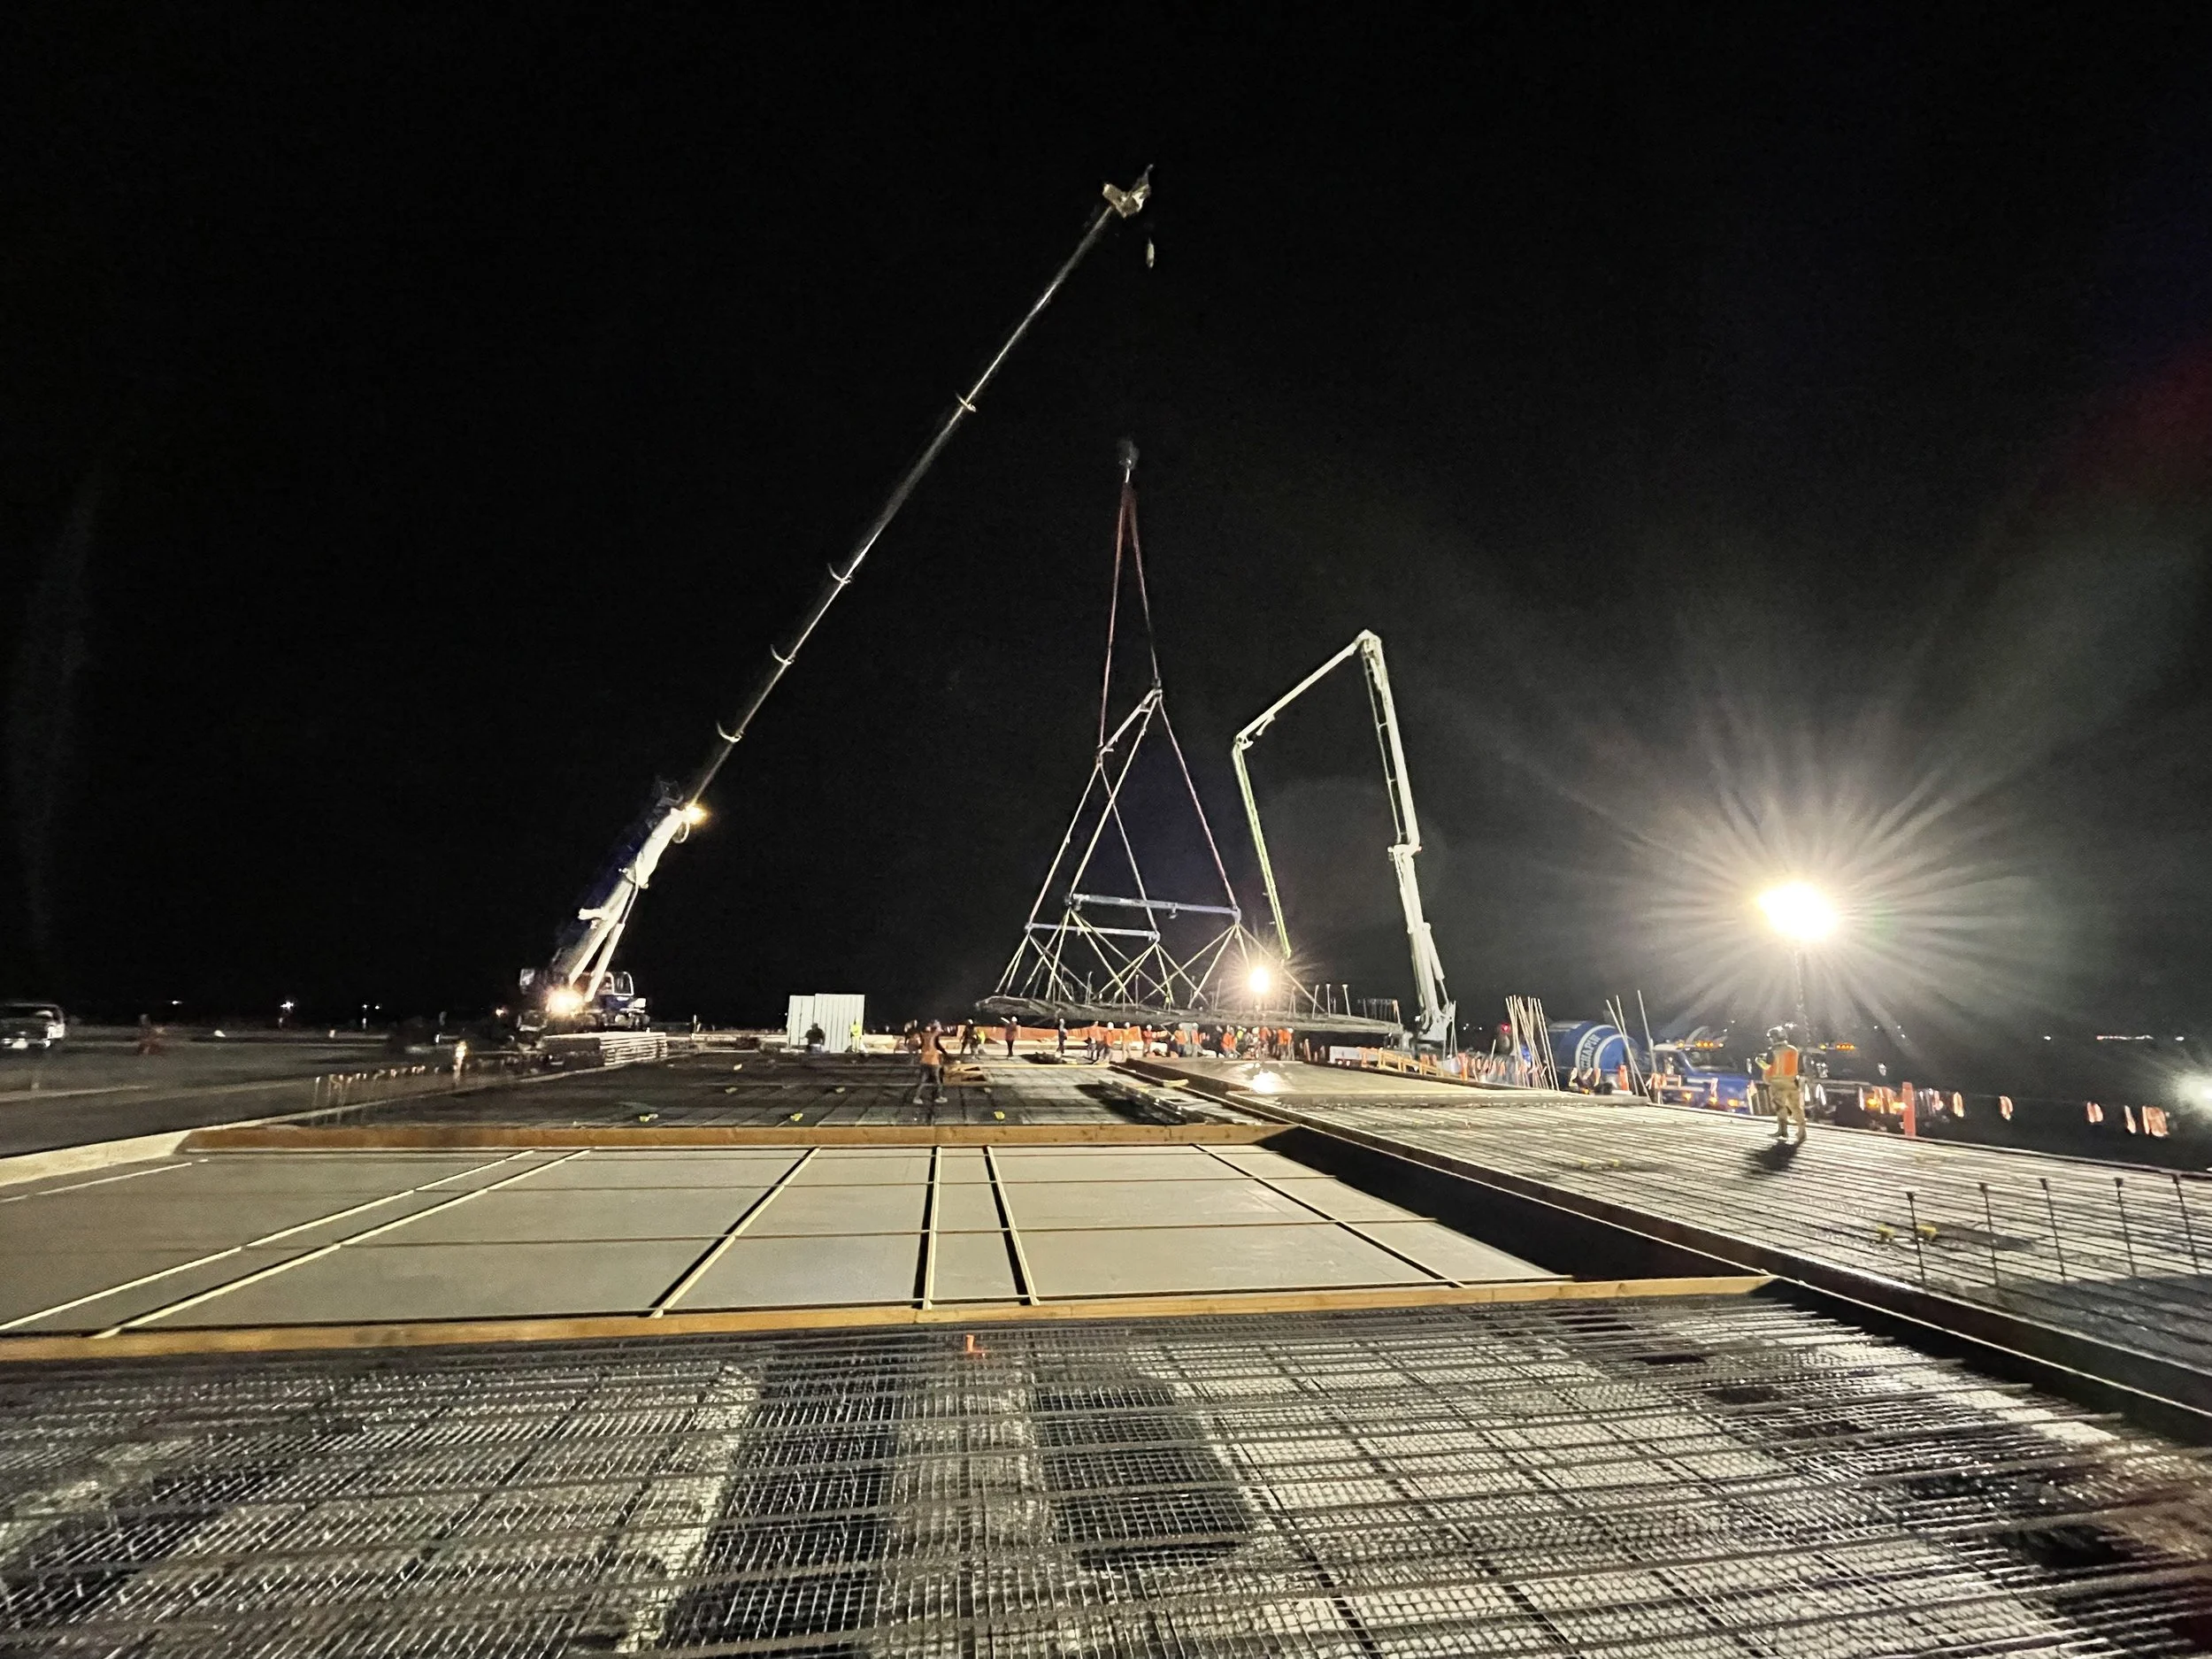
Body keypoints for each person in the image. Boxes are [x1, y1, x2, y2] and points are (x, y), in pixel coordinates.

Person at [1763, 1026, 1805, 1144]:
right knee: (1796, 1107)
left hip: (1778, 1083)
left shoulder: (1772, 1051)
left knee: (1780, 1107)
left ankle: (1783, 1130)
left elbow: (1767, 1067)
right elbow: (1799, 1067)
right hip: (1792, 1082)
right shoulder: (1793, 1050)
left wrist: (1759, 1061)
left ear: (1775, 1038)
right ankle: (1802, 1131)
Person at [916, 1020, 948, 1107]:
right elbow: (938, 1044)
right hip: (933, 1061)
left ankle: (917, 1097)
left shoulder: (924, 1036)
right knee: (937, 1080)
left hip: (924, 1061)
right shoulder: (934, 1036)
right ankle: (939, 1096)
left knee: (923, 1080)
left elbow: (920, 1046)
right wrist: (945, 1053)